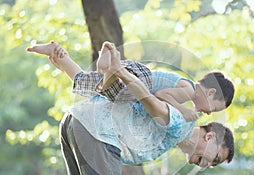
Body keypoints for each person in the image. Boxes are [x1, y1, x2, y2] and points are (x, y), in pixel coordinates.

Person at [27, 41, 234, 175]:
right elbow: (154, 103)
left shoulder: (173, 134)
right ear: (210, 136)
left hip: (75, 123)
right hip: (96, 131)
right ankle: (109, 67)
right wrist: (121, 72)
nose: (209, 165)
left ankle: (63, 56)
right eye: (215, 158)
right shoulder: (185, 120)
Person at [27, 41, 235, 121]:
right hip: (140, 79)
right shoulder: (189, 90)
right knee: (107, 92)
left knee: (88, 84)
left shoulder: (188, 88)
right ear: (210, 92)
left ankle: (58, 53)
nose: (208, 113)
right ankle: (110, 63)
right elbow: (162, 95)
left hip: (134, 75)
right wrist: (183, 111)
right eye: (213, 109)